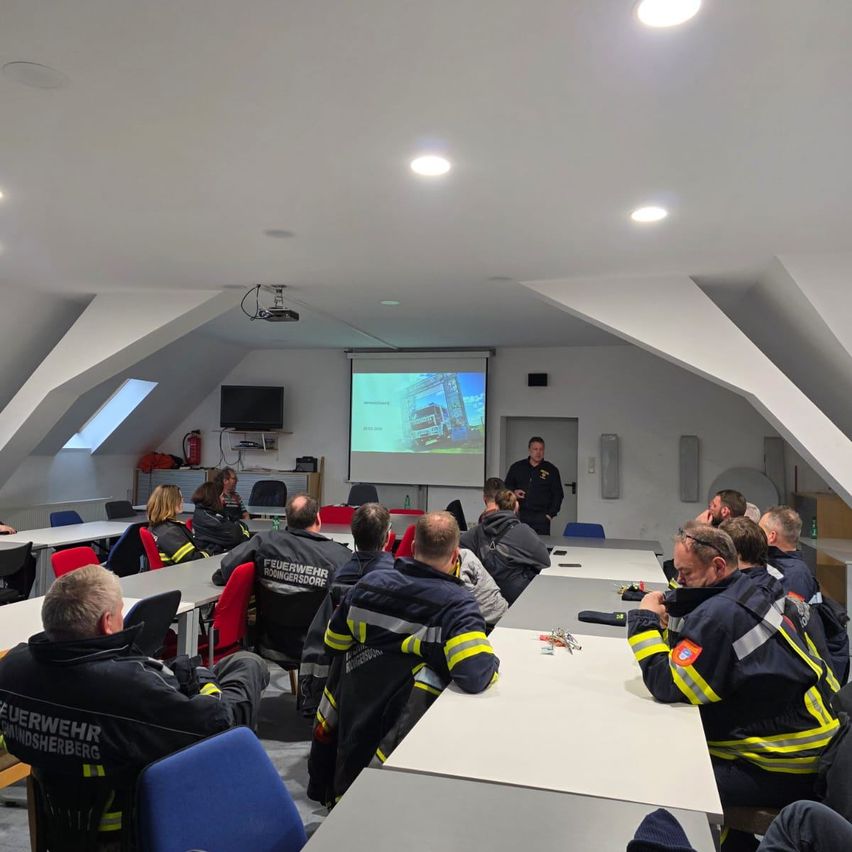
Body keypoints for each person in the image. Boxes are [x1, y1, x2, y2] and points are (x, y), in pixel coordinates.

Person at [0, 564, 269, 846]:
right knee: (246, 666)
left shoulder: (12, 668)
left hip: (58, 820)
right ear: (107, 622)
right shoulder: (129, 687)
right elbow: (218, 722)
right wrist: (202, 680)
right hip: (135, 827)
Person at [627, 525, 839, 852]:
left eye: (685, 573)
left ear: (717, 566)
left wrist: (645, 623)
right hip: (812, 742)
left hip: (785, 762)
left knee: (675, 777)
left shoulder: (719, 616)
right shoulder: (746, 589)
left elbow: (669, 683)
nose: (678, 581)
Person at [308, 512, 499, 804]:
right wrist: (492, 661)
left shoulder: (368, 585)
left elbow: (334, 644)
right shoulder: (458, 606)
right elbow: (474, 675)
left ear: (412, 548)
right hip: (407, 745)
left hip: (354, 726)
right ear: (455, 556)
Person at [214, 494, 351, 658]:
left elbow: (227, 569)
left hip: (269, 643)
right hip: (316, 649)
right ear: (318, 519)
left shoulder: (264, 541)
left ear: (287, 519)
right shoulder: (340, 555)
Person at [298, 502, 396, 718]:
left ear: (354, 535)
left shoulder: (336, 578)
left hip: (337, 685)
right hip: (384, 685)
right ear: (388, 538)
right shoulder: (398, 581)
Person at [760, 505, 849, 682]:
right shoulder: (784, 566)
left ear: (771, 536)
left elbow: (791, 627)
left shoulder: (793, 576)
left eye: (759, 530)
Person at [460, 489, 550, 604]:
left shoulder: (477, 530)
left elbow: (459, 550)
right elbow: (545, 561)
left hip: (485, 597)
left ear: (496, 506)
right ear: (516, 507)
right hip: (517, 599)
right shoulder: (523, 531)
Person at [504, 437, 563, 535]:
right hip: (519, 515)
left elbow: (558, 495)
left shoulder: (551, 470)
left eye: (541, 449)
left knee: (540, 543)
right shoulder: (517, 467)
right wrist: (514, 492)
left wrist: (550, 515)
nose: (538, 452)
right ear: (529, 450)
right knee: (518, 541)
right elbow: (506, 488)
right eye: (535, 449)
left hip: (541, 518)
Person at [147, 483, 209, 565]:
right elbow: (192, 560)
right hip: (183, 570)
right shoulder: (170, 532)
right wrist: (210, 553)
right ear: (169, 502)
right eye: (179, 498)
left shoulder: (158, 526)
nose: (182, 501)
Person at [190, 481, 251, 555]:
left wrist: (240, 528)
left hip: (220, 551)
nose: (223, 499)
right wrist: (243, 530)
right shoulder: (211, 520)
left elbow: (235, 521)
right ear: (214, 498)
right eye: (221, 496)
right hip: (215, 556)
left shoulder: (209, 511)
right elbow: (236, 536)